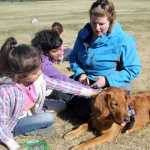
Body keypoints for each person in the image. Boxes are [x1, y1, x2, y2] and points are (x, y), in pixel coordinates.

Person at [0, 37, 98, 150]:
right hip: (11, 124)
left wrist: (91, 92)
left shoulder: (38, 78)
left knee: (62, 105)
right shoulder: (6, 92)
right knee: (48, 118)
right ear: (21, 75)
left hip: (29, 111)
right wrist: (13, 145)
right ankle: (19, 131)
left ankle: (35, 124)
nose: (41, 72)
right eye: (36, 72)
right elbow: (1, 125)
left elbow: (61, 85)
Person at [69, 0, 141, 120]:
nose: (97, 28)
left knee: (87, 111)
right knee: (64, 97)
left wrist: (107, 80)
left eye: (101, 24)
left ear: (111, 21)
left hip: (109, 85)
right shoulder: (83, 35)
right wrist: (80, 73)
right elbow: (73, 58)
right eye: (93, 23)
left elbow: (133, 69)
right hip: (85, 81)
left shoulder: (123, 40)